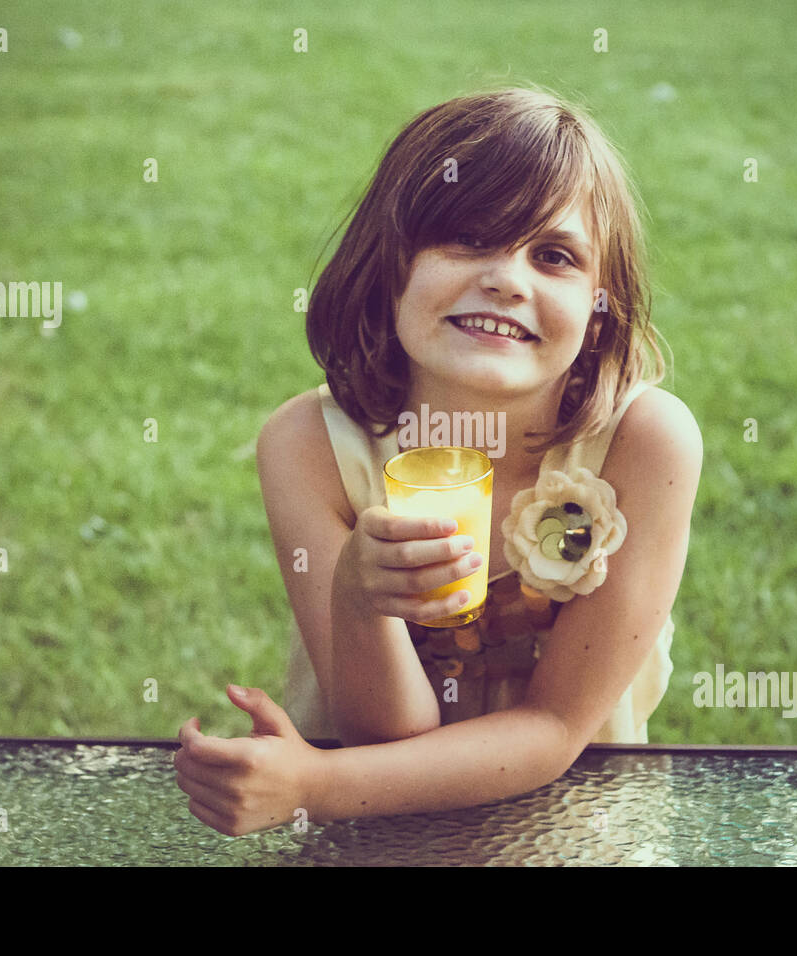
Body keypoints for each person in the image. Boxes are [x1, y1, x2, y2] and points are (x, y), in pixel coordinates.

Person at [175, 84, 703, 838]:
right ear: (388, 264)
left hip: (575, 832)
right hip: (376, 828)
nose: (508, 279)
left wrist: (313, 784)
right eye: (470, 239)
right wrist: (359, 601)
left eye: (553, 256)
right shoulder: (309, 448)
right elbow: (385, 735)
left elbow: (554, 728)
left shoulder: (645, 446)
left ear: (598, 308)